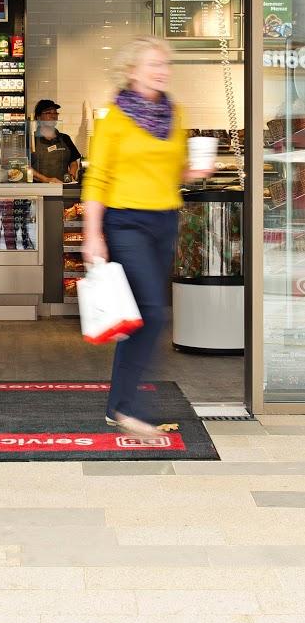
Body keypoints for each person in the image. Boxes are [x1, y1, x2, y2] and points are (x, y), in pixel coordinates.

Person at [82, 37, 213, 439]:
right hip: (126, 222)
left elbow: (174, 170)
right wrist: (92, 235)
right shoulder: (114, 118)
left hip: (164, 221)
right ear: (132, 70)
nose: (162, 70)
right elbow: (97, 177)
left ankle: (117, 406)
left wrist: (194, 171)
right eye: (154, 63)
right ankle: (129, 408)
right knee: (154, 313)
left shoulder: (175, 112)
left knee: (140, 314)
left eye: (165, 64)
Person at [31, 99, 81, 184]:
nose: (53, 116)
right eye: (48, 113)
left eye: (55, 113)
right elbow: (25, 167)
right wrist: (46, 180)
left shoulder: (65, 138)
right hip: (38, 189)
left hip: (62, 188)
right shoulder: (31, 139)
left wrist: (71, 176)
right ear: (38, 117)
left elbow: (73, 162)